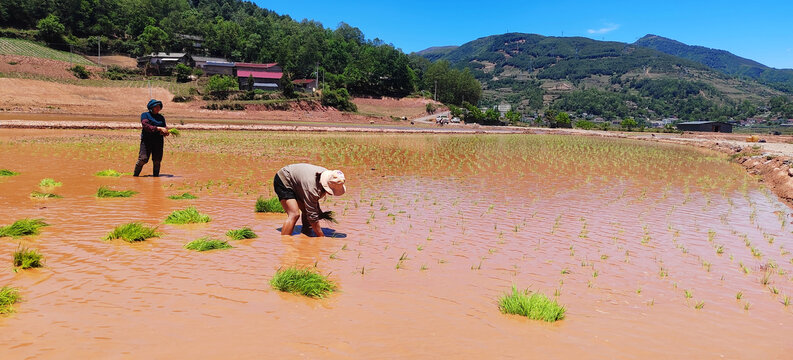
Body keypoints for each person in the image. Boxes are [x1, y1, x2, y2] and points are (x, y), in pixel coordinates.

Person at [274, 164, 346, 237]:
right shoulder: (312, 188)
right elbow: (312, 216)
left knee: (306, 210)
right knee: (294, 214)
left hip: (298, 182)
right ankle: (285, 241)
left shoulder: (328, 176)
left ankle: (306, 232)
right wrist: (321, 236)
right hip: (284, 178)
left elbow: (312, 205)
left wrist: (319, 212)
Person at [134, 99, 169, 177]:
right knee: (143, 159)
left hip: (158, 141)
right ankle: (135, 176)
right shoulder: (145, 115)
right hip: (147, 141)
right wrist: (159, 128)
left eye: (159, 107)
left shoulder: (161, 117)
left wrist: (165, 132)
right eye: (156, 107)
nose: (158, 108)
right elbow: (146, 126)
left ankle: (155, 177)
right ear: (151, 107)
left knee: (157, 161)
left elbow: (164, 127)